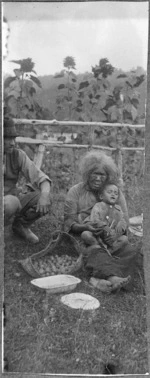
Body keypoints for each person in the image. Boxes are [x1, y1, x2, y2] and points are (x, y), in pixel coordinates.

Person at [64, 150, 137, 293]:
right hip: (86, 238)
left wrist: (114, 234)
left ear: (107, 176)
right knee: (94, 250)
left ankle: (98, 280)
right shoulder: (75, 191)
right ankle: (112, 278)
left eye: (102, 174)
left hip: (111, 239)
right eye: (94, 173)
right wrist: (85, 227)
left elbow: (125, 221)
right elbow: (68, 223)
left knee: (131, 250)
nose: (98, 178)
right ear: (87, 174)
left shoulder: (114, 192)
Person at [4, 117, 52, 244]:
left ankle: (20, 226)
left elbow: (41, 178)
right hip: (7, 203)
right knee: (11, 202)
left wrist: (45, 195)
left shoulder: (17, 155)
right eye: (7, 138)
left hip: (9, 201)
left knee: (40, 197)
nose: (12, 143)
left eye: (13, 138)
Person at [80, 182, 128, 254]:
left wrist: (117, 232)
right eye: (110, 192)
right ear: (101, 196)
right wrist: (106, 228)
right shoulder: (98, 206)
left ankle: (109, 251)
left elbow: (123, 221)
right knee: (85, 234)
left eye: (116, 193)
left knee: (124, 239)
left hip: (112, 236)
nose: (113, 194)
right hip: (98, 234)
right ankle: (97, 247)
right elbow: (95, 220)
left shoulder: (118, 209)